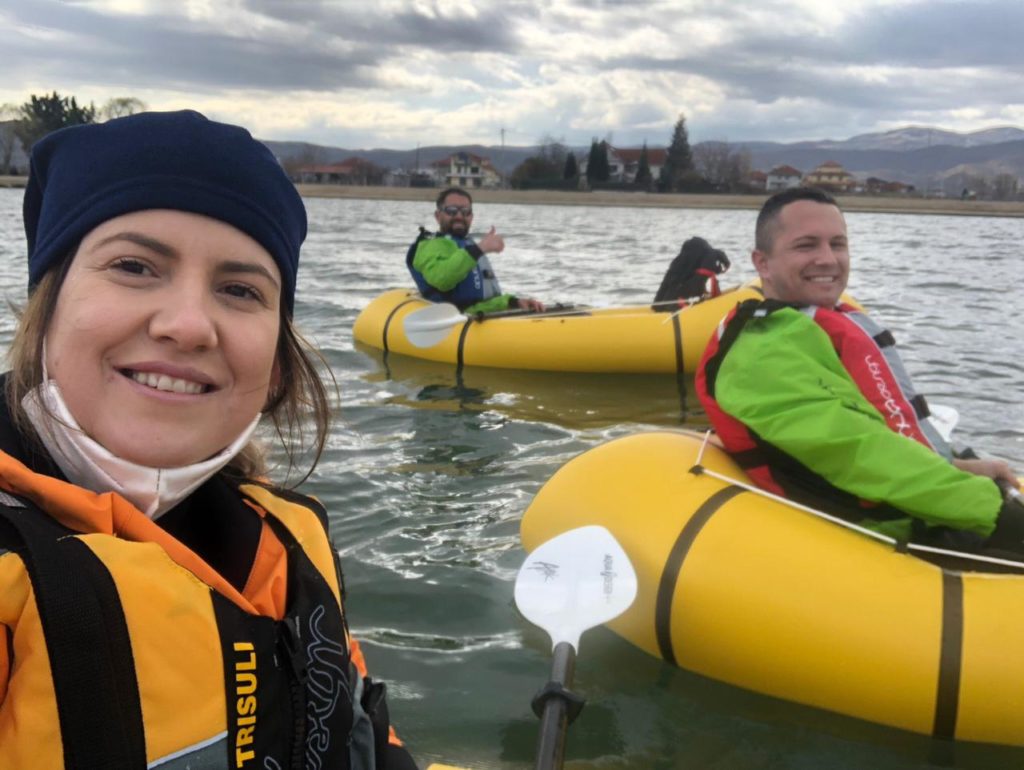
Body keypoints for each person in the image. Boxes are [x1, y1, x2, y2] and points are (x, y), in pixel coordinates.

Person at [0, 111, 418, 769]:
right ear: (45, 311)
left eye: (239, 289)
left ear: (277, 359)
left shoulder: (286, 545)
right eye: (135, 266)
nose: (189, 325)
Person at [695, 186, 1024, 559]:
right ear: (763, 263)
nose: (828, 259)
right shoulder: (760, 355)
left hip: (911, 519)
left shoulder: (810, 329)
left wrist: (964, 467)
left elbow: (883, 432)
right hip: (881, 540)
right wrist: (997, 512)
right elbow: (859, 453)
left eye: (838, 244)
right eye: (806, 246)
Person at [407, 187, 544, 314]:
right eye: (451, 210)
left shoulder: (469, 246)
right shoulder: (429, 246)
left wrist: (514, 302)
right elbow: (443, 279)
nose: (459, 216)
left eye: (466, 211)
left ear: (471, 217)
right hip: (450, 323)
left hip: (478, 320)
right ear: (438, 216)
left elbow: (478, 306)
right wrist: (481, 248)